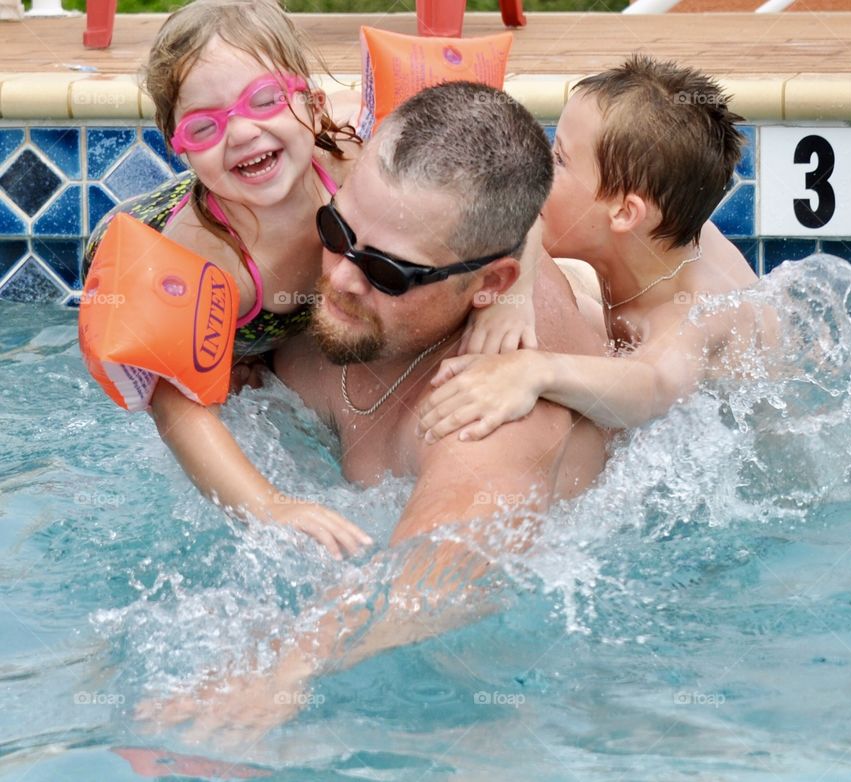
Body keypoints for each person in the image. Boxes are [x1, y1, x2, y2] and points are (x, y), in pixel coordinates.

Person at [140, 81, 609, 738]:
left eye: (389, 272)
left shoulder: (490, 407)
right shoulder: (342, 229)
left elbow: (448, 565)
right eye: (335, 230)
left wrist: (284, 667)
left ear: (491, 285)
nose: (340, 278)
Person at [85, 0, 535, 558]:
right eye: (204, 126)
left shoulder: (349, 165)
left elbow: (509, 191)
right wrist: (269, 505)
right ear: (177, 147)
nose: (242, 132)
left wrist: (515, 297)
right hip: (146, 259)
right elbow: (175, 404)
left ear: (313, 104)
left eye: (265, 100)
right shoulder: (203, 259)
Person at [416, 55, 774, 442]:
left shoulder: (690, 314)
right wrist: (514, 295)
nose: (538, 168)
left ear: (623, 212)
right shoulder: (661, 226)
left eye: (559, 159)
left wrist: (534, 371)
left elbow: (654, 387)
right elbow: (526, 211)